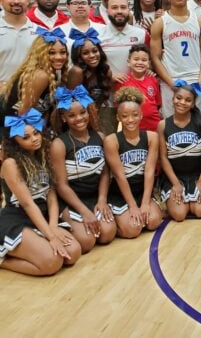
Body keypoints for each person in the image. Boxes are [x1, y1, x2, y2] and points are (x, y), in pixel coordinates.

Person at [0, 110, 81, 275]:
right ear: (14, 142)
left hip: (42, 216)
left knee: (73, 253)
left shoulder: (43, 155)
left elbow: (51, 196)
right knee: (51, 263)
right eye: (26, 137)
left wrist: (53, 227)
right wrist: (51, 237)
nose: (34, 139)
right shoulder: (11, 164)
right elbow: (28, 204)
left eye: (36, 133)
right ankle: (3, 261)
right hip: (17, 219)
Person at [50, 86, 117, 253]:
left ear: (89, 112)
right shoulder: (59, 144)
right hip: (71, 201)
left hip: (94, 197)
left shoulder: (100, 137)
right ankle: (61, 223)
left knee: (107, 235)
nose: (78, 118)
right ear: (64, 118)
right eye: (71, 115)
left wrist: (102, 200)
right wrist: (84, 212)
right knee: (86, 242)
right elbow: (61, 186)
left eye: (82, 113)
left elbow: (105, 173)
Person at [104, 87, 162, 238]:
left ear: (141, 115)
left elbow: (149, 172)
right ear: (118, 117)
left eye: (135, 115)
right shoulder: (112, 141)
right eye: (125, 116)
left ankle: (134, 211)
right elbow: (119, 176)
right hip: (120, 193)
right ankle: (117, 220)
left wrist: (144, 203)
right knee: (133, 230)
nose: (130, 120)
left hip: (142, 191)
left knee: (153, 221)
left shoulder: (151, 137)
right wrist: (132, 206)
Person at [150, 0, 201, 117]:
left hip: (195, 78)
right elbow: (155, 57)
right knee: (171, 125)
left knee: (199, 123)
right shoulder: (160, 23)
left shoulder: (199, 21)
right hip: (171, 79)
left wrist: (200, 81)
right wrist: (170, 83)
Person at [158, 81, 201, 222]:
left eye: (188, 100)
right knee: (179, 214)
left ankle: (200, 193)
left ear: (193, 103)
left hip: (197, 175)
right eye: (178, 98)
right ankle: (177, 195)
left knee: (199, 211)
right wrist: (175, 184)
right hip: (174, 177)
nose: (182, 102)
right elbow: (163, 157)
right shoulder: (163, 125)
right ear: (172, 99)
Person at [94, 0, 147, 134]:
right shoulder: (97, 35)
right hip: (108, 97)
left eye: (123, 7)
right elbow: (92, 64)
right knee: (106, 136)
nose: (119, 11)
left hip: (135, 97)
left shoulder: (141, 34)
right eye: (114, 7)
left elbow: (149, 59)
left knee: (135, 138)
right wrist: (109, 74)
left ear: (128, 10)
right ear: (107, 11)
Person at [0, 28, 68, 120]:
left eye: (62, 52)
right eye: (51, 53)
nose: (59, 57)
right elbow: (22, 115)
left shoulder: (53, 72)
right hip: (14, 128)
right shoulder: (40, 76)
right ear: (40, 54)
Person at [113, 44, 161, 131]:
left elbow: (157, 103)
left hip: (154, 125)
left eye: (144, 60)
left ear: (149, 63)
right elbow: (119, 107)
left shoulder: (153, 79)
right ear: (128, 62)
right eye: (136, 59)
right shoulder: (122, 81)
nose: (140, 62)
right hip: (132, 127)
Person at [0, 0, 38, 87]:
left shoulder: (39, 31)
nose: (16, 1)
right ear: (1, 0)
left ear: (27, 0)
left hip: (30, 94)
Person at [66, 27, 112, 113]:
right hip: (78, 119)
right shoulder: (77, 72)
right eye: (85, 53)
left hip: (96, 117)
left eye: (95, 51)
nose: (92, 55)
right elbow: (70, 103)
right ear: (79, 56)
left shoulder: (106, 71)